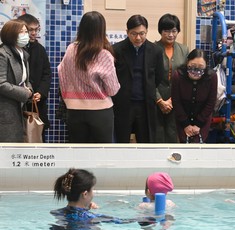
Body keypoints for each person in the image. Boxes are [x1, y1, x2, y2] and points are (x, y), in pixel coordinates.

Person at [58, 11, 120, 143]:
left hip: (74, 110)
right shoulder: (103, 54)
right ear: (101, 30)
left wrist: (68, 97)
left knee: (78, 154)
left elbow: (61, 74)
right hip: (100, 111)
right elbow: (113, 89)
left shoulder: (70, 49)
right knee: (101, 155)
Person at [112, 15, 164, 143]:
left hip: (145, 104)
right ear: (127, 32)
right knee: (121, 140)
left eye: (142, 33)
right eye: (133, 34)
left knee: (146, 141)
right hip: (123, 104)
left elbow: (158, 76)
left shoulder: (156, 50)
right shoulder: (116, 50)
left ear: (146, 32)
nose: (138, 38)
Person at [50, 168, 137, 230]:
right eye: (92, 189)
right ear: (85, 194)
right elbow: (122, 221)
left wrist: (86, 208)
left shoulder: (57, 212)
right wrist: (146, 218)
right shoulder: (90, 217)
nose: (93, 193)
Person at [155, 14, 189, 143]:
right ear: (160, 31)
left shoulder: (184, 50)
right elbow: (149, 78)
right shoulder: (153, 49)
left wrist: (172, 99)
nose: (170, 35)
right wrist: (159, 100)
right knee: (156, 136)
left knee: (173, 135)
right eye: (166, 31)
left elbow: (185, 77)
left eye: (174, 31)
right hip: (155, 100)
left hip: (176, 101)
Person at [171, 48, 217, 143]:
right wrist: (185, 124)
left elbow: (211, 102)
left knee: (198, 145)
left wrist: (198, 124)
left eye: (200, 66)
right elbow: (176, 101)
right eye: (192, 65)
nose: (196, 70)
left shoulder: (212, 76)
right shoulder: (178, 75)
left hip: (203, 118)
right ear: (187, 62)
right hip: (182, 116)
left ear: (206, 66)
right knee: (184, 144)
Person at [18, 14, 51, 142]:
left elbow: (47, 74)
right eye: (30, 30)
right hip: (17, 102)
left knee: (38, 137)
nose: (34, 33)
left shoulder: (40, 49)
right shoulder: (11, 49)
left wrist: (41, 92)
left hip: (37, 103)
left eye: (36, 29)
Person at [0, 19, 33, 142]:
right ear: (11, 34)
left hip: (19, 108)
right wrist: (25, 93)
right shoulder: (2, 54)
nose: (25, 35)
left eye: (26, 32)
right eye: (21, 32)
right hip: (5, 110)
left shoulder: (23, 53)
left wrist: (29, 89)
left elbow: (26, 79)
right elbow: (1, 83)